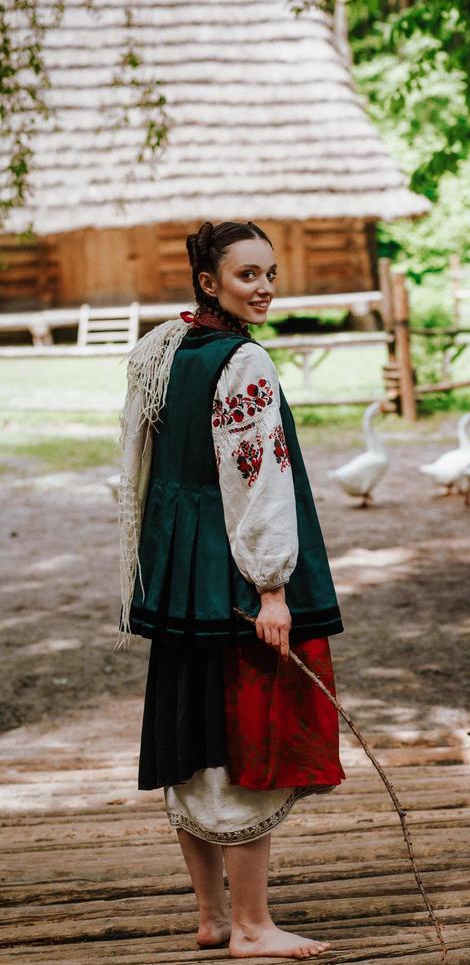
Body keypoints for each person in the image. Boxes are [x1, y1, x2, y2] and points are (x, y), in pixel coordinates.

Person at [116, 220, 346, 959]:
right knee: (245, 738)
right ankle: (250, 926)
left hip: (180, 567)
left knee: (189, 735)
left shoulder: (164, 349)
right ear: (208, 283)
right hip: (228, 575)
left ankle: (212, 917)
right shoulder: (243, 362)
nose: (266, 287)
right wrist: (272, 587)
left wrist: (158, 553)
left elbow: (139, 465)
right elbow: (259, 482)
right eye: (248, 275)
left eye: (271, 273)